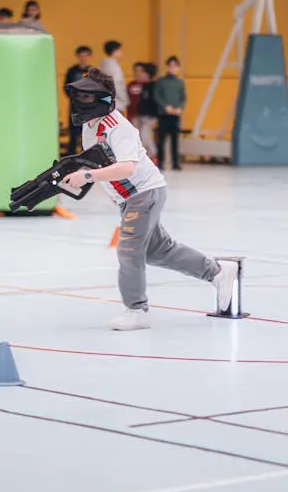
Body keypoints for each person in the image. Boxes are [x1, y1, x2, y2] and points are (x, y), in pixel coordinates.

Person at [60, 67, 237, 331]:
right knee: (158, 251)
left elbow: (127, 168)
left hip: (144, 192)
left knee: (129, 249)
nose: (81, 102)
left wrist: (87, 176)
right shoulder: (89, 126)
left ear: (103, 99)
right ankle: (218, 272)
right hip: (128, 198)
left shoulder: (119, 128)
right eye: (79, 96)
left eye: (87, 96)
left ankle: (137, 309)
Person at [153, 56, 186, 171]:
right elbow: (156, 95)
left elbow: (183, 98)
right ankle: (161, 162)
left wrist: (180, 108)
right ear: (167, 67)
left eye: (175, 66)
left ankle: (175, 162)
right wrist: (165, 106)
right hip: (163, 114)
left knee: (175, 140)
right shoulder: (161, 81)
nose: (172, 68)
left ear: (178, 68)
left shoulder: (180, 82)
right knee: (161, 139)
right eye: (170, 66)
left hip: (175, 115)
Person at [62, 45, 93, 155]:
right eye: (81, 55)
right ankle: (71, 153)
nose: (83, 58)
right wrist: (75, 98)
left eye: (86, 55)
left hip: (88, 107)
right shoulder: (72, 71)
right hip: (75, 105)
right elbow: (66, 87)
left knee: (88, 130)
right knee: (73, 130)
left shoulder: (92, 71)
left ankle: (87, 152)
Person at [127, 62, 158, 160]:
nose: (139, 74)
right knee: (139, 138)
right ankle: (147, 157)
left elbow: (154, 102)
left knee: (145, 137)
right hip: (138, 116)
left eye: (142, 72)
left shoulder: (153, 86)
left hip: (149, 117)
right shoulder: (136, 85)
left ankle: (153, 155)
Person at [99, 40, 128, 115]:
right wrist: (125, 99)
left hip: (105, 102)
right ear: (115, 51)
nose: (121, 52)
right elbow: (117, 85)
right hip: (116, 104)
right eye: (120, 50)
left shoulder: (103, 65)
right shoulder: (113, 66)